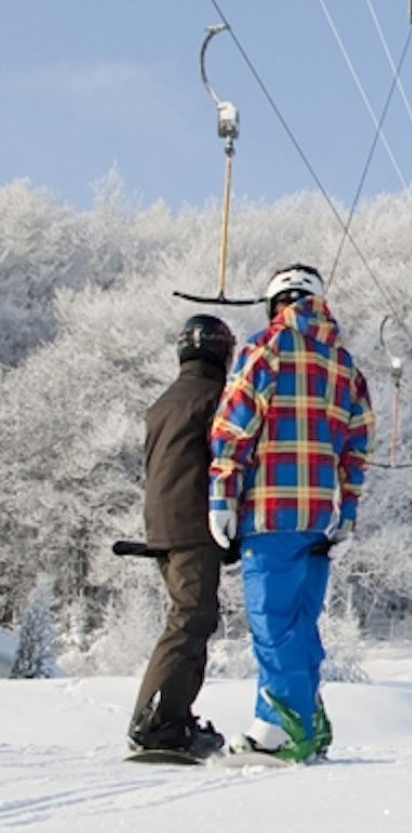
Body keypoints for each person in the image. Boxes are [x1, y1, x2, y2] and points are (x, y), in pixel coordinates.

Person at [209, 263, 374, 762]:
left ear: (275, 303)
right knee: (301, 622)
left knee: (272, 619)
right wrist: (346, 511)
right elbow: (357, 446)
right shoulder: (346, 366)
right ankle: (309, 718)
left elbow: (233, 428)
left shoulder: (265, 349)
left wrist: (221, 497)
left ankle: (280, 727)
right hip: (320, 518)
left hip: (272, 509)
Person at [127, 315, 236, 759]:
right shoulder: (214, 398)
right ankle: (156, 721)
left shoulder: (166, 400)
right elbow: (223, 458)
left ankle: (175, 715)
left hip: (163, 524)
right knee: (189, 619)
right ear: (221, 353)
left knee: (194, 617)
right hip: (193, 523)